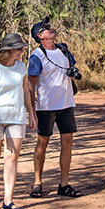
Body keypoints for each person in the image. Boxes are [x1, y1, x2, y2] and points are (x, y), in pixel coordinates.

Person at [27, 16, 83, 198]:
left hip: (66, 104)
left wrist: (74, 75)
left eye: (50, 26)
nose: (51, 28)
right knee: (42, 143)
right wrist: (32, 113)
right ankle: (37, 183)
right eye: (46, 28)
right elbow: (31, 85)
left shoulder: (64, 50)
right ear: (40, 36)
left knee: (67, 143)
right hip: (46, 107)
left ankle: (64, 184)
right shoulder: (36, 57)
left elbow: (72, 70)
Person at [0, 32, 37, 209]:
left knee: (12, 159)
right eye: (19, 48)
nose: (21, 51)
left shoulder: (22, 67)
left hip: (16, 117)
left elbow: (26, 91)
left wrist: (32, 113)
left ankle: (8, 200)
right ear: (9, 50)